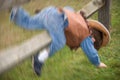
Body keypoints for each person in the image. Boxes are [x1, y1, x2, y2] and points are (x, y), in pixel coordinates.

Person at [10, 6, 110, 76]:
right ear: (93, 39)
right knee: (60, 42)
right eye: (92, 44)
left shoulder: (80, 20)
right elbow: (91, 53)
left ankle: (16, 11)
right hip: (55, 19)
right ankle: (39, 58)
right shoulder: (86, 36)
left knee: (29, 22)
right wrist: (98, 63)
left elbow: (68, 8)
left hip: (52, 11)